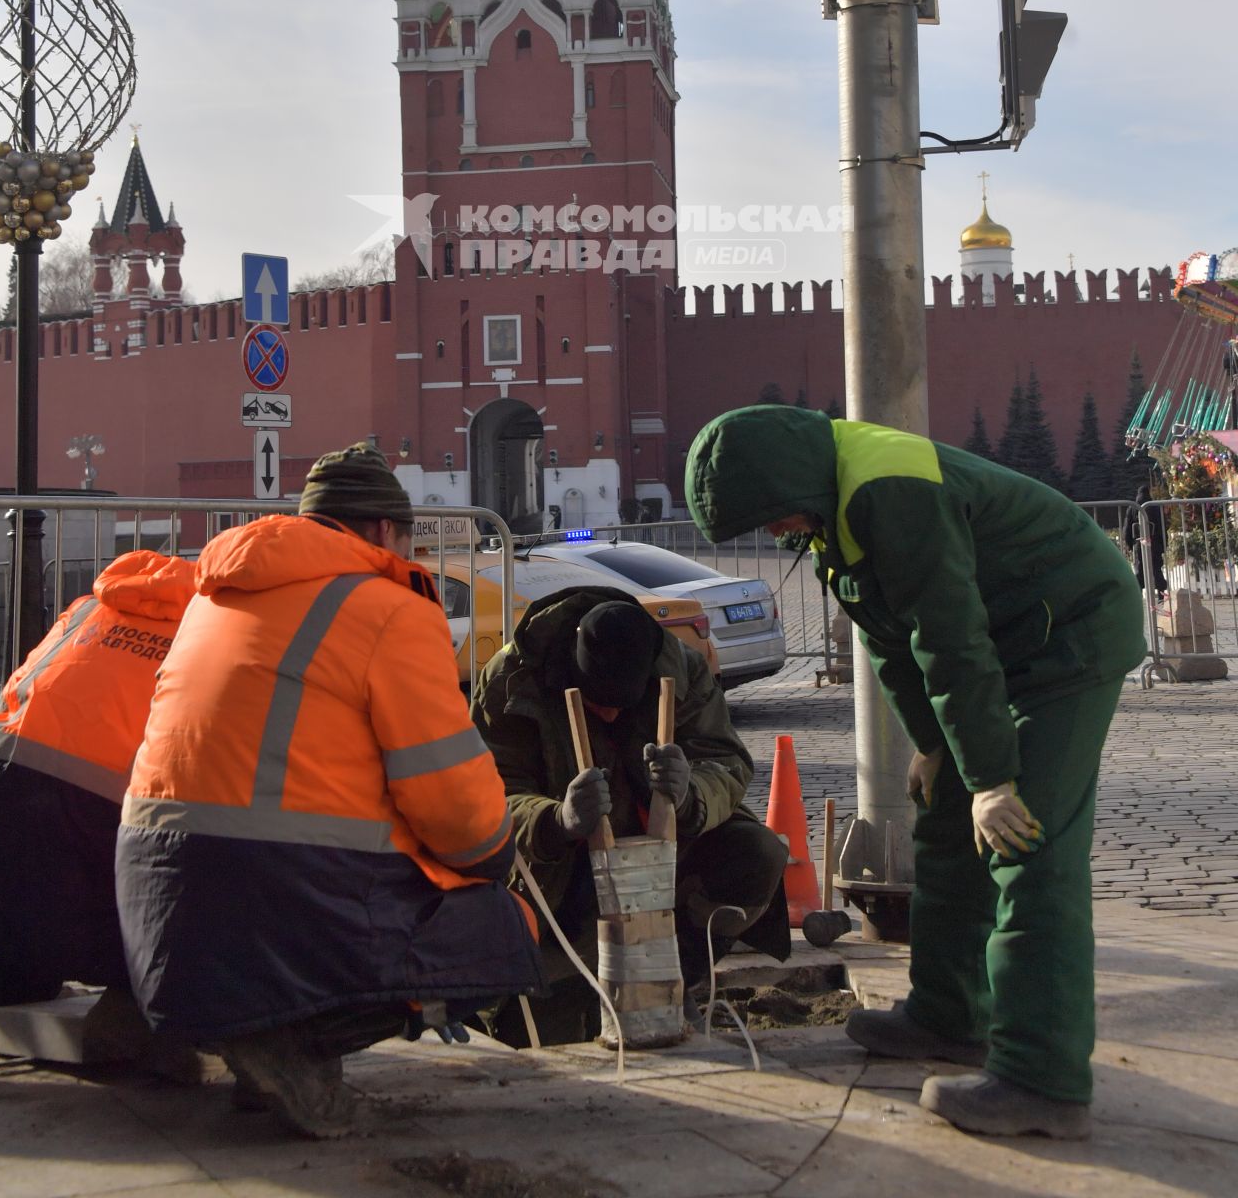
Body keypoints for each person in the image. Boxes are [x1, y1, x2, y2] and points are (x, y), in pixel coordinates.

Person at [685, 405, 1145, 1141]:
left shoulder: (886, 492)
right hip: (1004, 644)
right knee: (942, 821)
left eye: (773, 518)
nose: (774, 535)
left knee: (1025, 842)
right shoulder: (832, 508)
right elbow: (890, 639)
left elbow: (949, 634)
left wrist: (993, 779)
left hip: (1067, 637)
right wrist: (935, 746)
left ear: (794, 482)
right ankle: (948, 1016)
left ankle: (1042, 1079)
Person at [116, 442, 541, 1138]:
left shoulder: (213, 596)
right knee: (500, 929)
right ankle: (289, 1048)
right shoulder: (389, 610)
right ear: (382, 532)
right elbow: (453, 801)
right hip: (277, 888)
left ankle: (252, 1037)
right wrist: (494, 855)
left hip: (154, 891)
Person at [471, 587, 790, 1046]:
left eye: (623, 702)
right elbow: (490, 794)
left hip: (665, 858)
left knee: (755, 853)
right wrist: (554, 819)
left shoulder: (678, 667)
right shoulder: (511, 680)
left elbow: (725, 760)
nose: (612, 713)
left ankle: (673, 979)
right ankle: (571, 984)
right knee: (542, 1038)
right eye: (600, 703)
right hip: (562, 875)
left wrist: (689, 793)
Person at [0, 550, 196, 1027]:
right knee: (167, 930)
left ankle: (12, 1020)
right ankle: (132, 1028)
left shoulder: (89, 607)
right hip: (77, 817)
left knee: (26, 917)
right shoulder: (204, 635)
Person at [1122, 484, 1168, 599]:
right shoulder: (1155, 507)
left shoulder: (1132, 507)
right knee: (1156, 568)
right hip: (1154, 542)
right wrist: (1163, 544)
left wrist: (1129, 544)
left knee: (1140, 569)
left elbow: (1127, 528)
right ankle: (1161, 594)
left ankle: (1137, 594)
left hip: (1139, 542)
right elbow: (1162, 526)